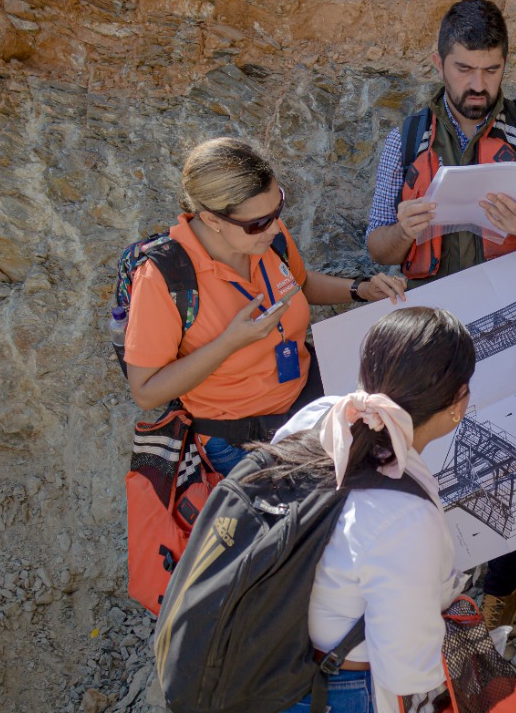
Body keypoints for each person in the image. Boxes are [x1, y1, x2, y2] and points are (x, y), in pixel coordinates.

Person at [365, 0, 516, 627]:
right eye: (464, 69)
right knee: (440, 453)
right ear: (439, 63)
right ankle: (461, 573)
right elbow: (375, 245)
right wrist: (401, 231)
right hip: (434, 329)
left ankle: (503, 581)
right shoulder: (403, 141)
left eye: (491, 70)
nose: (478, 86)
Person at [238, 306, 475, 713]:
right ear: (459, 402)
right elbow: (407, 666)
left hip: (264, 681)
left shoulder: (317, 417)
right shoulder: (404, 516)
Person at [124, 137, 405, 476]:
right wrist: (230, 342)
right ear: (212, 220)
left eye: (278, 209)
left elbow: (299, 285)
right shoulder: (162, 276)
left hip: (308, 406)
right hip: (241, 442)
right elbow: (146, 391)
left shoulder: (267, 235)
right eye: (259, 222)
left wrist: (360, 289)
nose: (274, 228)